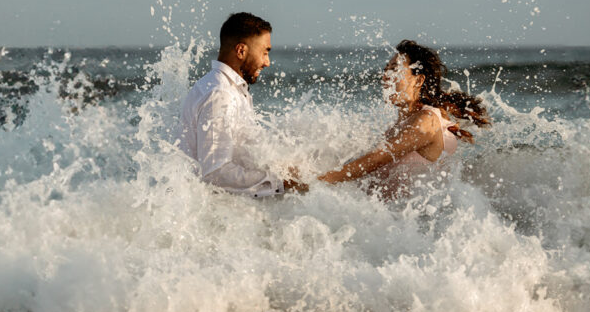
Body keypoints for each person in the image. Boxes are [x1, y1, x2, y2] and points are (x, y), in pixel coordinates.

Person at [317, 39, 490, 196]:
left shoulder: (425, 121)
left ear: (418, 80)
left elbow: (375, 160)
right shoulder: (405, 121)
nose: (385, 77)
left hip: (412, 225)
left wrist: (315, 184)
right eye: (385, 70)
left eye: (394, 70)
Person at [178, 12, 307, 196]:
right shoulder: (220, 94)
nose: (267, 62)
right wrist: (280, 182)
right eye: (264, 52)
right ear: (241, 51)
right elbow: (215, 174)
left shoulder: (228, 89)